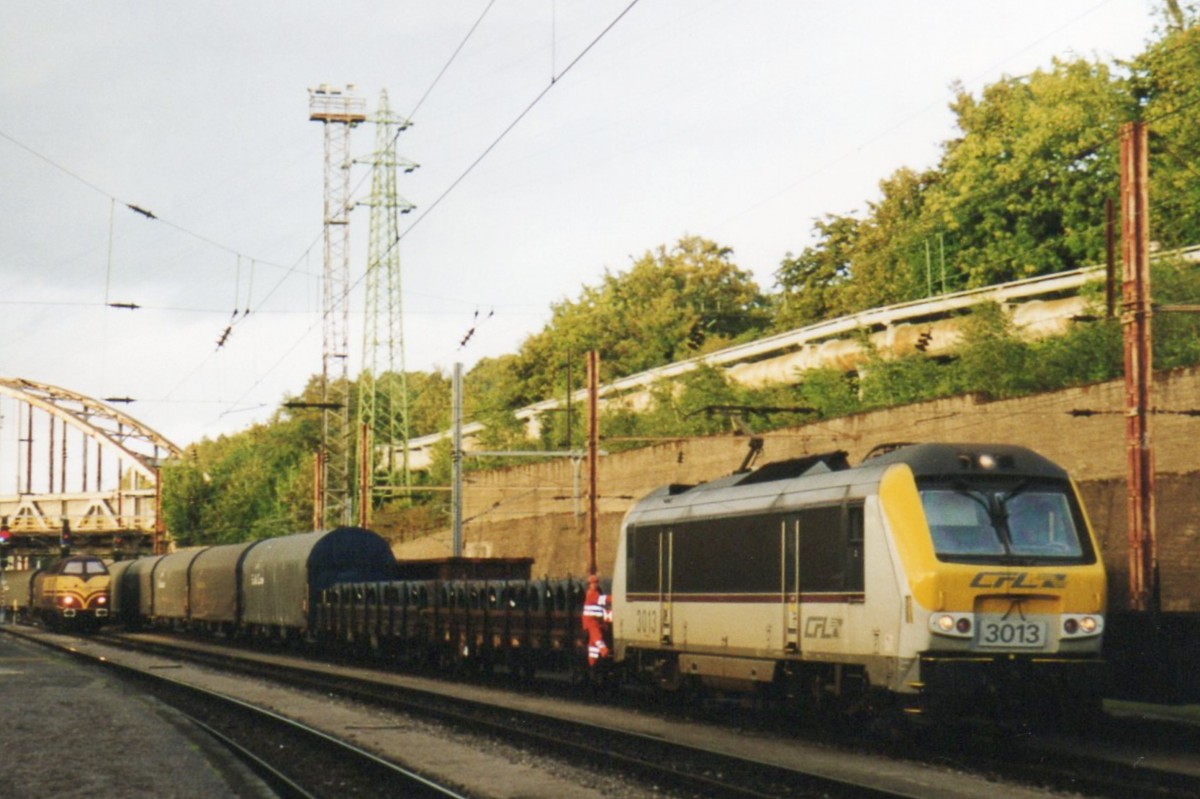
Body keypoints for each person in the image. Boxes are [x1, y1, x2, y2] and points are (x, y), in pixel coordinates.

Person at [582, 574, 611, 666]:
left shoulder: (595, 593)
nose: (595, 585)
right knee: (597, 637)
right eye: (593, 583)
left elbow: (600, 609)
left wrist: (603, 624)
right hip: (591, 621)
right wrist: (614, 598)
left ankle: (592, 661)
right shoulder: (591, 593)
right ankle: (604, 651)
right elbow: (600, 600)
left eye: (596, 583)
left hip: (596, 621)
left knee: (592, 644)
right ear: (589, 584)